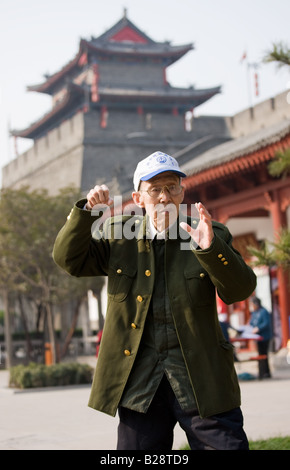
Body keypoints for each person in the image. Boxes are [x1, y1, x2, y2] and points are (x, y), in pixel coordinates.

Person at [53, 151, 257, 450]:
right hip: (140, 381)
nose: (164, 196)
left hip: (202, 379)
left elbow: (241, 290)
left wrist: (211, 250)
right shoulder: (117, 237)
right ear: (138, 197)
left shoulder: (208, 233)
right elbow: (69, 260)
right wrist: (85, 213)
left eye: (172, 187)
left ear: (182, 192)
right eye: (155, 189)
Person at [249, 296, 272, 379]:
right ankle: (264, 372)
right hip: (257, 337)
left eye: (252, 304)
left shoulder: (264, 311)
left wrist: (258, 328)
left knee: (263, 354)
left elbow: (266, 323)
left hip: (264, 337)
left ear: (256, 304)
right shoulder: (254, 313)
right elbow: (251, 322)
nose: (251, 306)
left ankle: (264, 373)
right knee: (261, 354)